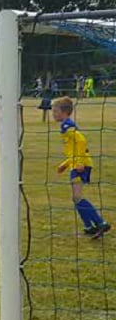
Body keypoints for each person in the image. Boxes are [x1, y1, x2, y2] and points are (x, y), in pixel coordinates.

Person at [52, 97, 110, 238]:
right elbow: (73, 149)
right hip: (76, 164)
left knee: (77, 197)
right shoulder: (66, 125)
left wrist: (79, 162)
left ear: (64, 112)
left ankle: (100, 223)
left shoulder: (67, 126)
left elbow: (81, 141)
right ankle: (89, 226)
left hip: (81, 165)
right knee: (76, 198)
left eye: (55, 111)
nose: (53, 114)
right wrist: (65, 165)